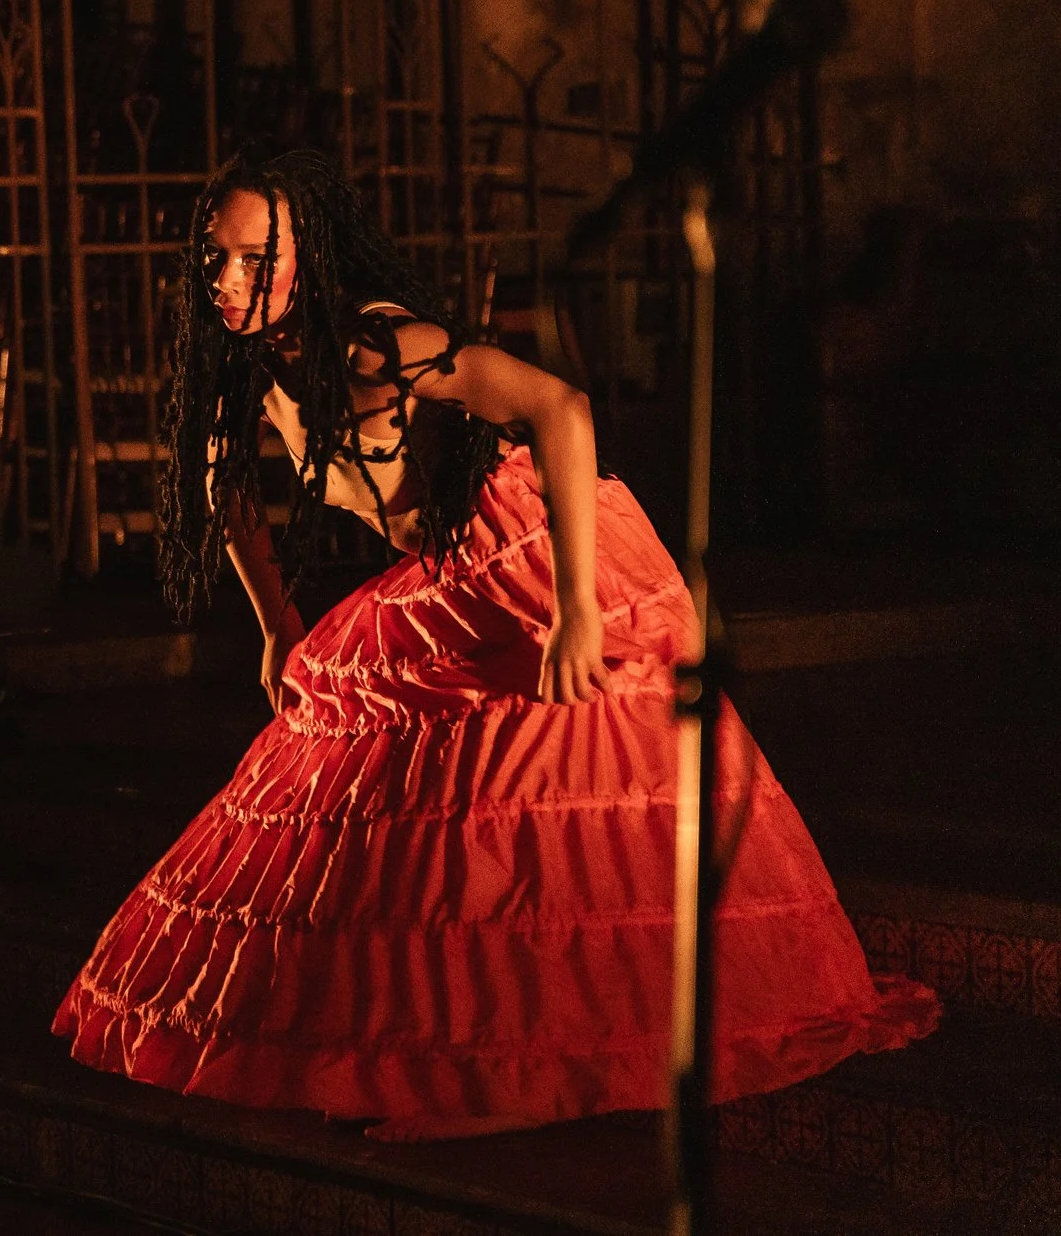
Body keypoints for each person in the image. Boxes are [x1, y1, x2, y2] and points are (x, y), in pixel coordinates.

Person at [52, 148, 938, 1140]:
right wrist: (275, 627)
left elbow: (559, 405)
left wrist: (575, 610)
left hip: (516, 551)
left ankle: (515, 1065)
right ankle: (447, 1059)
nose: (226, 281)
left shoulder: (378, 344)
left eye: (257, 259)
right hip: (435, 577)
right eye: (215, 257)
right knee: (392, 815)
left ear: (314, 258)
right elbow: (230, 496)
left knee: (528, 800)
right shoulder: (247, 368)